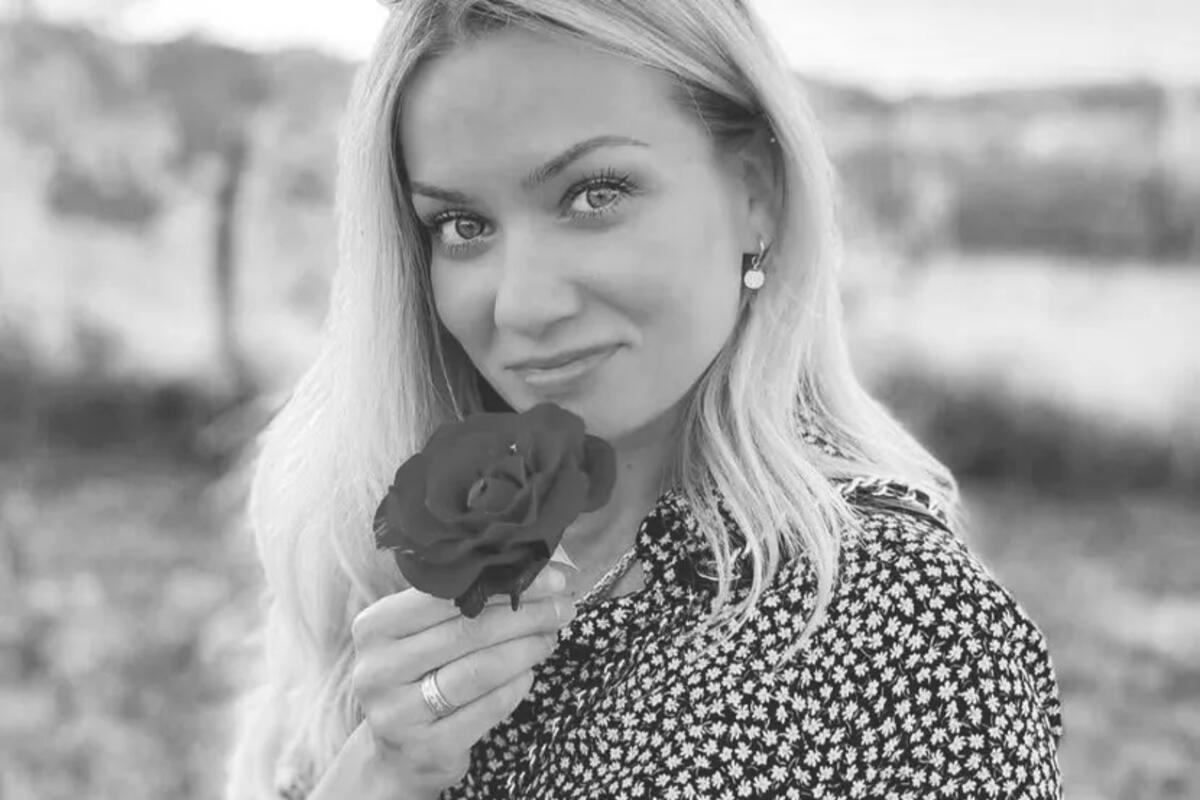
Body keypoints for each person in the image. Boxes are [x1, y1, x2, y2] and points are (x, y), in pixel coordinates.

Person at [222, 1, 1065, 798]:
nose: (522, 305)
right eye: (463, 226)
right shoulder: (379, 576)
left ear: (756, 194)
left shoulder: (910, 631)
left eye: (596, 195)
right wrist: (379, 772)